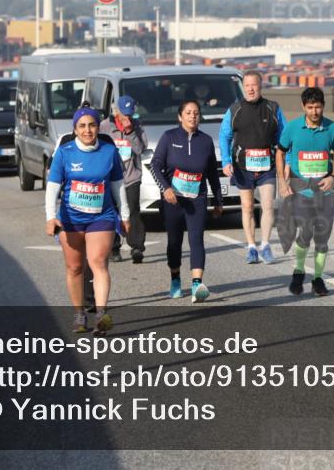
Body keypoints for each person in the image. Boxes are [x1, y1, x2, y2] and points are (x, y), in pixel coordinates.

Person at [45, 105, 130, 334]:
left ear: (97, 127)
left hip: (101, 217)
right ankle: (79, 314)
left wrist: (125, 215)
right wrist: (51, 217)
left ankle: (101, 315)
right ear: (75, 129)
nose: (87, 130)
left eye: (91, 125)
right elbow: (52, 188)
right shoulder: (65, 152)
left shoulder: (108, 151)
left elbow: (118, 186)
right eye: (82, 126)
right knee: (74, 268)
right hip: (71, 219)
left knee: (99, 263)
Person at [149, 99, 223, 303]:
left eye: (196, 113)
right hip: (173, 201)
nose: (193, 116)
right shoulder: (169, 137)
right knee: (174, 243)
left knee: (196, 239)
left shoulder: (206, 141)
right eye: (188, 113)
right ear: (180, 116)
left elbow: (212, 173)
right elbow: (155, 166)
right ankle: (175, 279)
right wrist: (166, 188)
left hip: (197, 199)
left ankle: (197, 284)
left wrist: (218, 200)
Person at [276, 86, 334, 297]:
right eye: (310, 107)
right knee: (305, 234)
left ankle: (317, 279)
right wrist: (282, 180)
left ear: (323, 106)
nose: (314, 112)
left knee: (322, 238)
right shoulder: (293, 128)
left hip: (325, 192)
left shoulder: (333, 128)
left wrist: (333, 177)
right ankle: (298, 271)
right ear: (303, 107)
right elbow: (280, 151)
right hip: (301, 191)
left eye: (318, 107)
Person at [219, 71, 286, 265]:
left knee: (268, 205)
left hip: (268, 165)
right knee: (247, 207)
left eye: (254, 85)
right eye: (247, 85)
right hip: (242, 166)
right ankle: (251, 247)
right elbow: (224, 136)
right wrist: (225, 161)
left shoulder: (273, 108)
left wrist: (287, 160)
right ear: (243, 87)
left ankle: (265, 245)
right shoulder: (234, 110)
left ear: (260, 86)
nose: (250, 89)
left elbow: (284, 136)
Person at [100, 94, 148, 264]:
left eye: (130, 114)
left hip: (131, 176)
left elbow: (140, 149)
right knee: (112, 212)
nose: (127, 117)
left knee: (133, 210)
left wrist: (130, 132)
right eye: (124, 114)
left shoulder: (137, 126)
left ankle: (136, 247)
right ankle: (114, 248)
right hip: (111, 177)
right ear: (117, 112)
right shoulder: (105, 126)